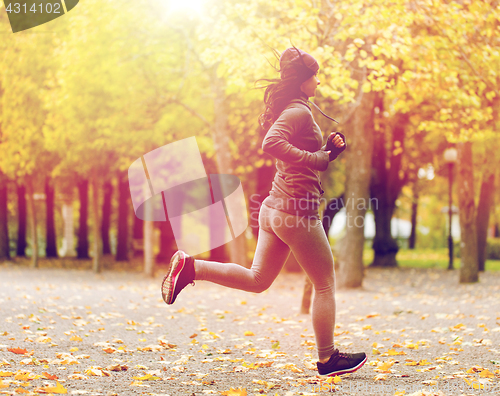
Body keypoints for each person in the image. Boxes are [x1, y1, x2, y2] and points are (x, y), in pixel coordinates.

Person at [161, 47, 367, 377]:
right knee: (325, 283)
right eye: (314, 75)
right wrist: (319, 158)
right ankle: (328, 359)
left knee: (258, 280)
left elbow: (296, 155)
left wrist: (327, 150)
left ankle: (190, 267)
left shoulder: (296, 109)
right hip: (294, 212)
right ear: (302, 81)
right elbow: (271, 143)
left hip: (275, 208)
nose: (318, 80)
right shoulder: (297, 112)